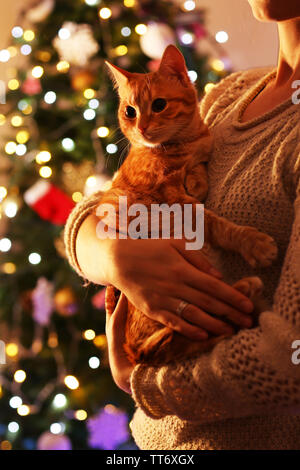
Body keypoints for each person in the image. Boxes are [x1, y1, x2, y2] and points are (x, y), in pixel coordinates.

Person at [64, 0, 300, 449]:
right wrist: (111, 256)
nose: (144, 125)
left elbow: (290, 361)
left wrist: (140, 379)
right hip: (152, 442)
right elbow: (93, 214)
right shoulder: (230, 95)